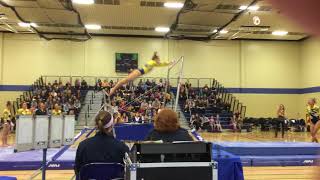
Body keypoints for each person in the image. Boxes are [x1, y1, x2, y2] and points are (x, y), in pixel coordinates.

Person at [74, 111, 129, 176]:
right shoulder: (122, 146)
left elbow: (77, 170)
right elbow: (128, 171)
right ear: (112, 125)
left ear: (96, 125)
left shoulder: (83, 145)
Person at [109, 52, 174, 95]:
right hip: (139, 72)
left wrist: (169, 62)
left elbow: (161, 64)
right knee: (125, 80)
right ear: (155, 59)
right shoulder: (153, 62)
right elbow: (161, 63)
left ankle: (114, 88)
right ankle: (113, 89)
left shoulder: (153, 63)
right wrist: (170, 62)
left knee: (126, 81)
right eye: (158, 59)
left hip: (138, 72)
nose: (159, 60)